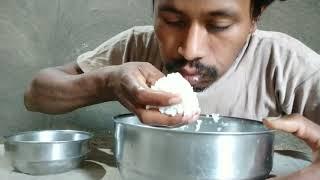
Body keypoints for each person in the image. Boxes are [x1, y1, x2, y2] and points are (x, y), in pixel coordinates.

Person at [24, 0, 320, 179]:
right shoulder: (137, 46)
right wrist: (108, 81)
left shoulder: (283, 61)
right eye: (172, 21)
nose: (190, 50)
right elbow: (36, 95)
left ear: (255, 17)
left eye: (218, 25)